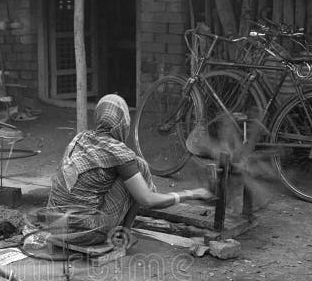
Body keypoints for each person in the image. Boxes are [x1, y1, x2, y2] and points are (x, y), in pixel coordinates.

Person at [46, 94, 214, 246]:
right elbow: (148, 201)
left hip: (55, 226)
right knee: (139, 167)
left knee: (128, 171)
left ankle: (122, 233)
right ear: (123, 123)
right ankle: (124, 234)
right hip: (85, 234)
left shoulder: (80, 138)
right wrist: (192, 194)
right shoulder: (119, 154)